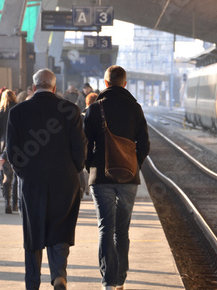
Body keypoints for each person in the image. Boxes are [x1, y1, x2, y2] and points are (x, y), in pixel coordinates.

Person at [7, 68, 87, 290]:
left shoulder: (18, 111)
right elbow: (80, 149)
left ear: (33, 88)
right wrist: (75, 170)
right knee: (61, 227)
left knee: (33, 230)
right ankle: (59, 274)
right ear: (54, 88)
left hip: (32, 181)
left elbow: (12, 152)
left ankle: (32, 283)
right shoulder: (71, 110)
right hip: (65, 180)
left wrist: (24, 174)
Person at [84, 65, 150, 290]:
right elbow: (145, 144)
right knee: (122, 230)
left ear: (105, 83)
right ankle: (120, 279)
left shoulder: (95, 109)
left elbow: (85, 144)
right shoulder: (136, 109)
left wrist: (90, 166)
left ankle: (109, 281)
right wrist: (135, 165)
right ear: (125, 83)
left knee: (105, 228)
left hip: (101, 177)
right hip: (128, 179)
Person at [0, 89, 18, 214]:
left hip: (3, 147)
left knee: (6, 176)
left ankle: (7, 202)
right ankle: (15, 204)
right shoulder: (19, 109)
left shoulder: (0, 111)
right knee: (16, 176)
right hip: (17, 147)